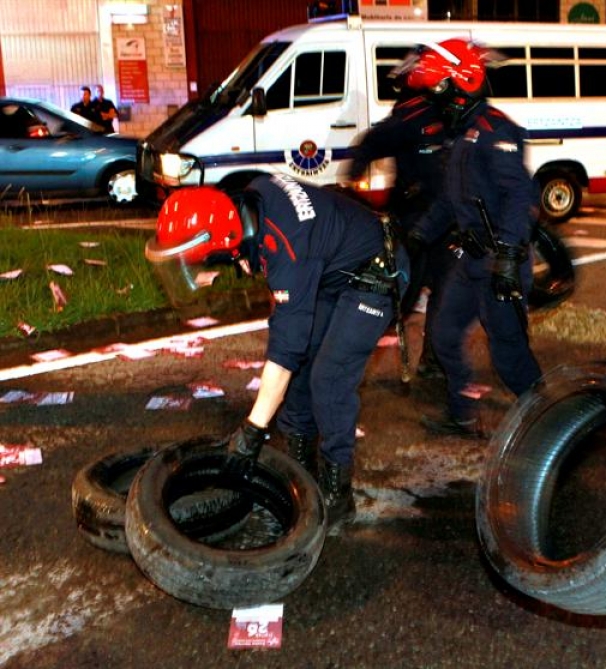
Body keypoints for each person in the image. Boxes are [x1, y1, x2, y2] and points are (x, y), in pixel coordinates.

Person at [144, 176, 408, 530]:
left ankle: (337, 496)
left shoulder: (286, 248)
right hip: (331, 269)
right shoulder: (247, 204)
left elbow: (285, 349)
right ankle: (300, 471)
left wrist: (253, 429)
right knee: (299, 375)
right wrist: (241, 256)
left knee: (329, 378)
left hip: (375, 272)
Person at [405, 38, 543, 438]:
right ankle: (462, 414)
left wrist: (507, 255)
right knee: (445, 334)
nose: (435, 100)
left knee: (510, 354)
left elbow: (521, 196)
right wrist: (417, 235)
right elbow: (452, 201)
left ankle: (548, 420)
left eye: (439, 91)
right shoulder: (462, 135)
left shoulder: (496, 131)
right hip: (472, 260)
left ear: (462, 84)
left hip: (503, 261)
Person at [348, 66, 454, 380]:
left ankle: (434, 361)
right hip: (415, 220)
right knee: (402, 295)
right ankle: (350, 361)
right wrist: (356, 173)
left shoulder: (446, 113)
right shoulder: (413, 116)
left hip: (443, 219)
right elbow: (372, 142)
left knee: (444, 293)